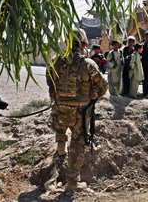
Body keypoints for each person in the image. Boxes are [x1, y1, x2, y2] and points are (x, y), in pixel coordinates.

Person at [46, 28, 107, 191]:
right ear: (82, 44)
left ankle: (56, 170)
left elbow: (50, 84)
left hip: (60, 109)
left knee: (61, 139)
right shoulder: (87, 64)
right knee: (78, 144)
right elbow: (103, 87)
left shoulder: (55, 61)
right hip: (80, 112)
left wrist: (57, 99)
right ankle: (72, 182)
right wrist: (92, 96)